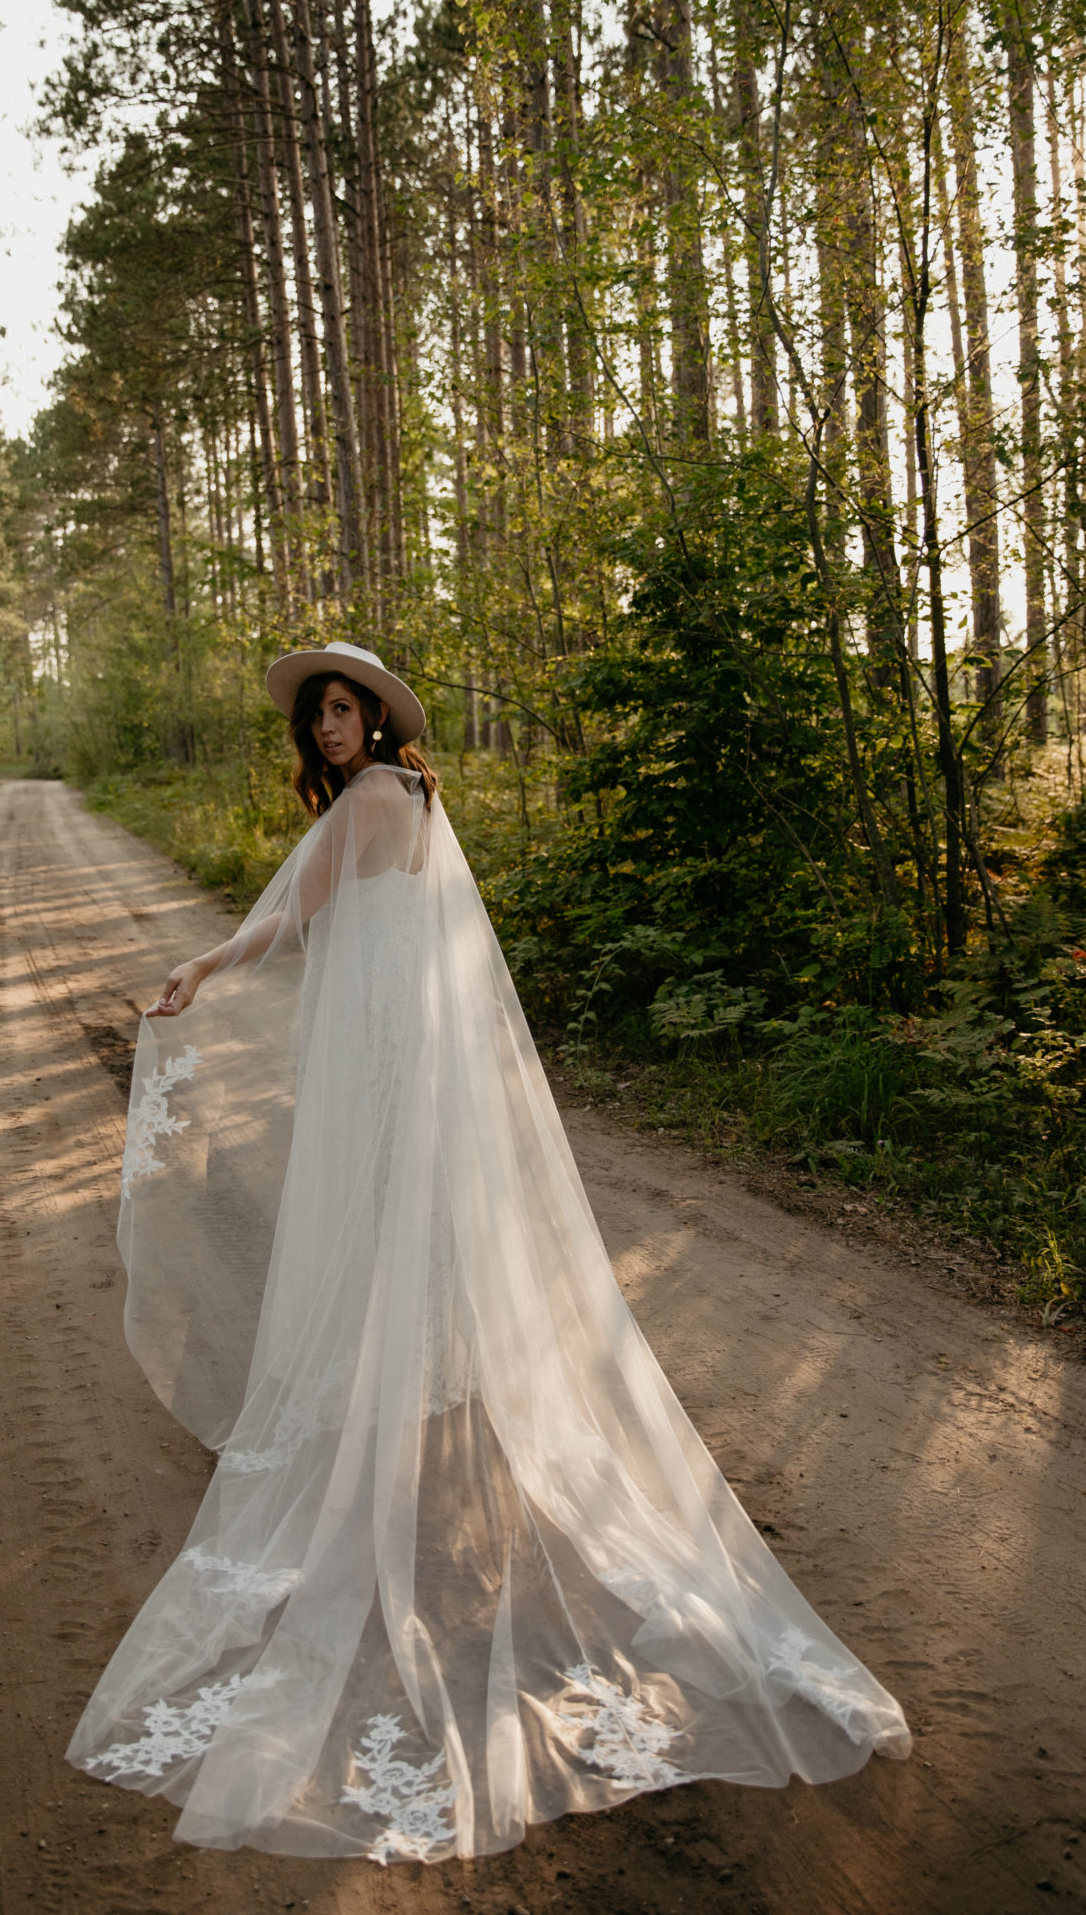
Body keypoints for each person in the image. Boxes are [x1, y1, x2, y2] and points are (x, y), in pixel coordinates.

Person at [67, 639, 910, 1864]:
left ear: (374, 720)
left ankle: (399, 1444)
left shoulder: (373, 801)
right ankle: (435, 1409)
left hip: (383, 1062)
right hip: (415, 1058)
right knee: (423, 1231)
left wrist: (200, 963)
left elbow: (290, 921)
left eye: (345, 709)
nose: (331, 728)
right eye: (319, 717)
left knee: (375, 1228)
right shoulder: (413, 799)